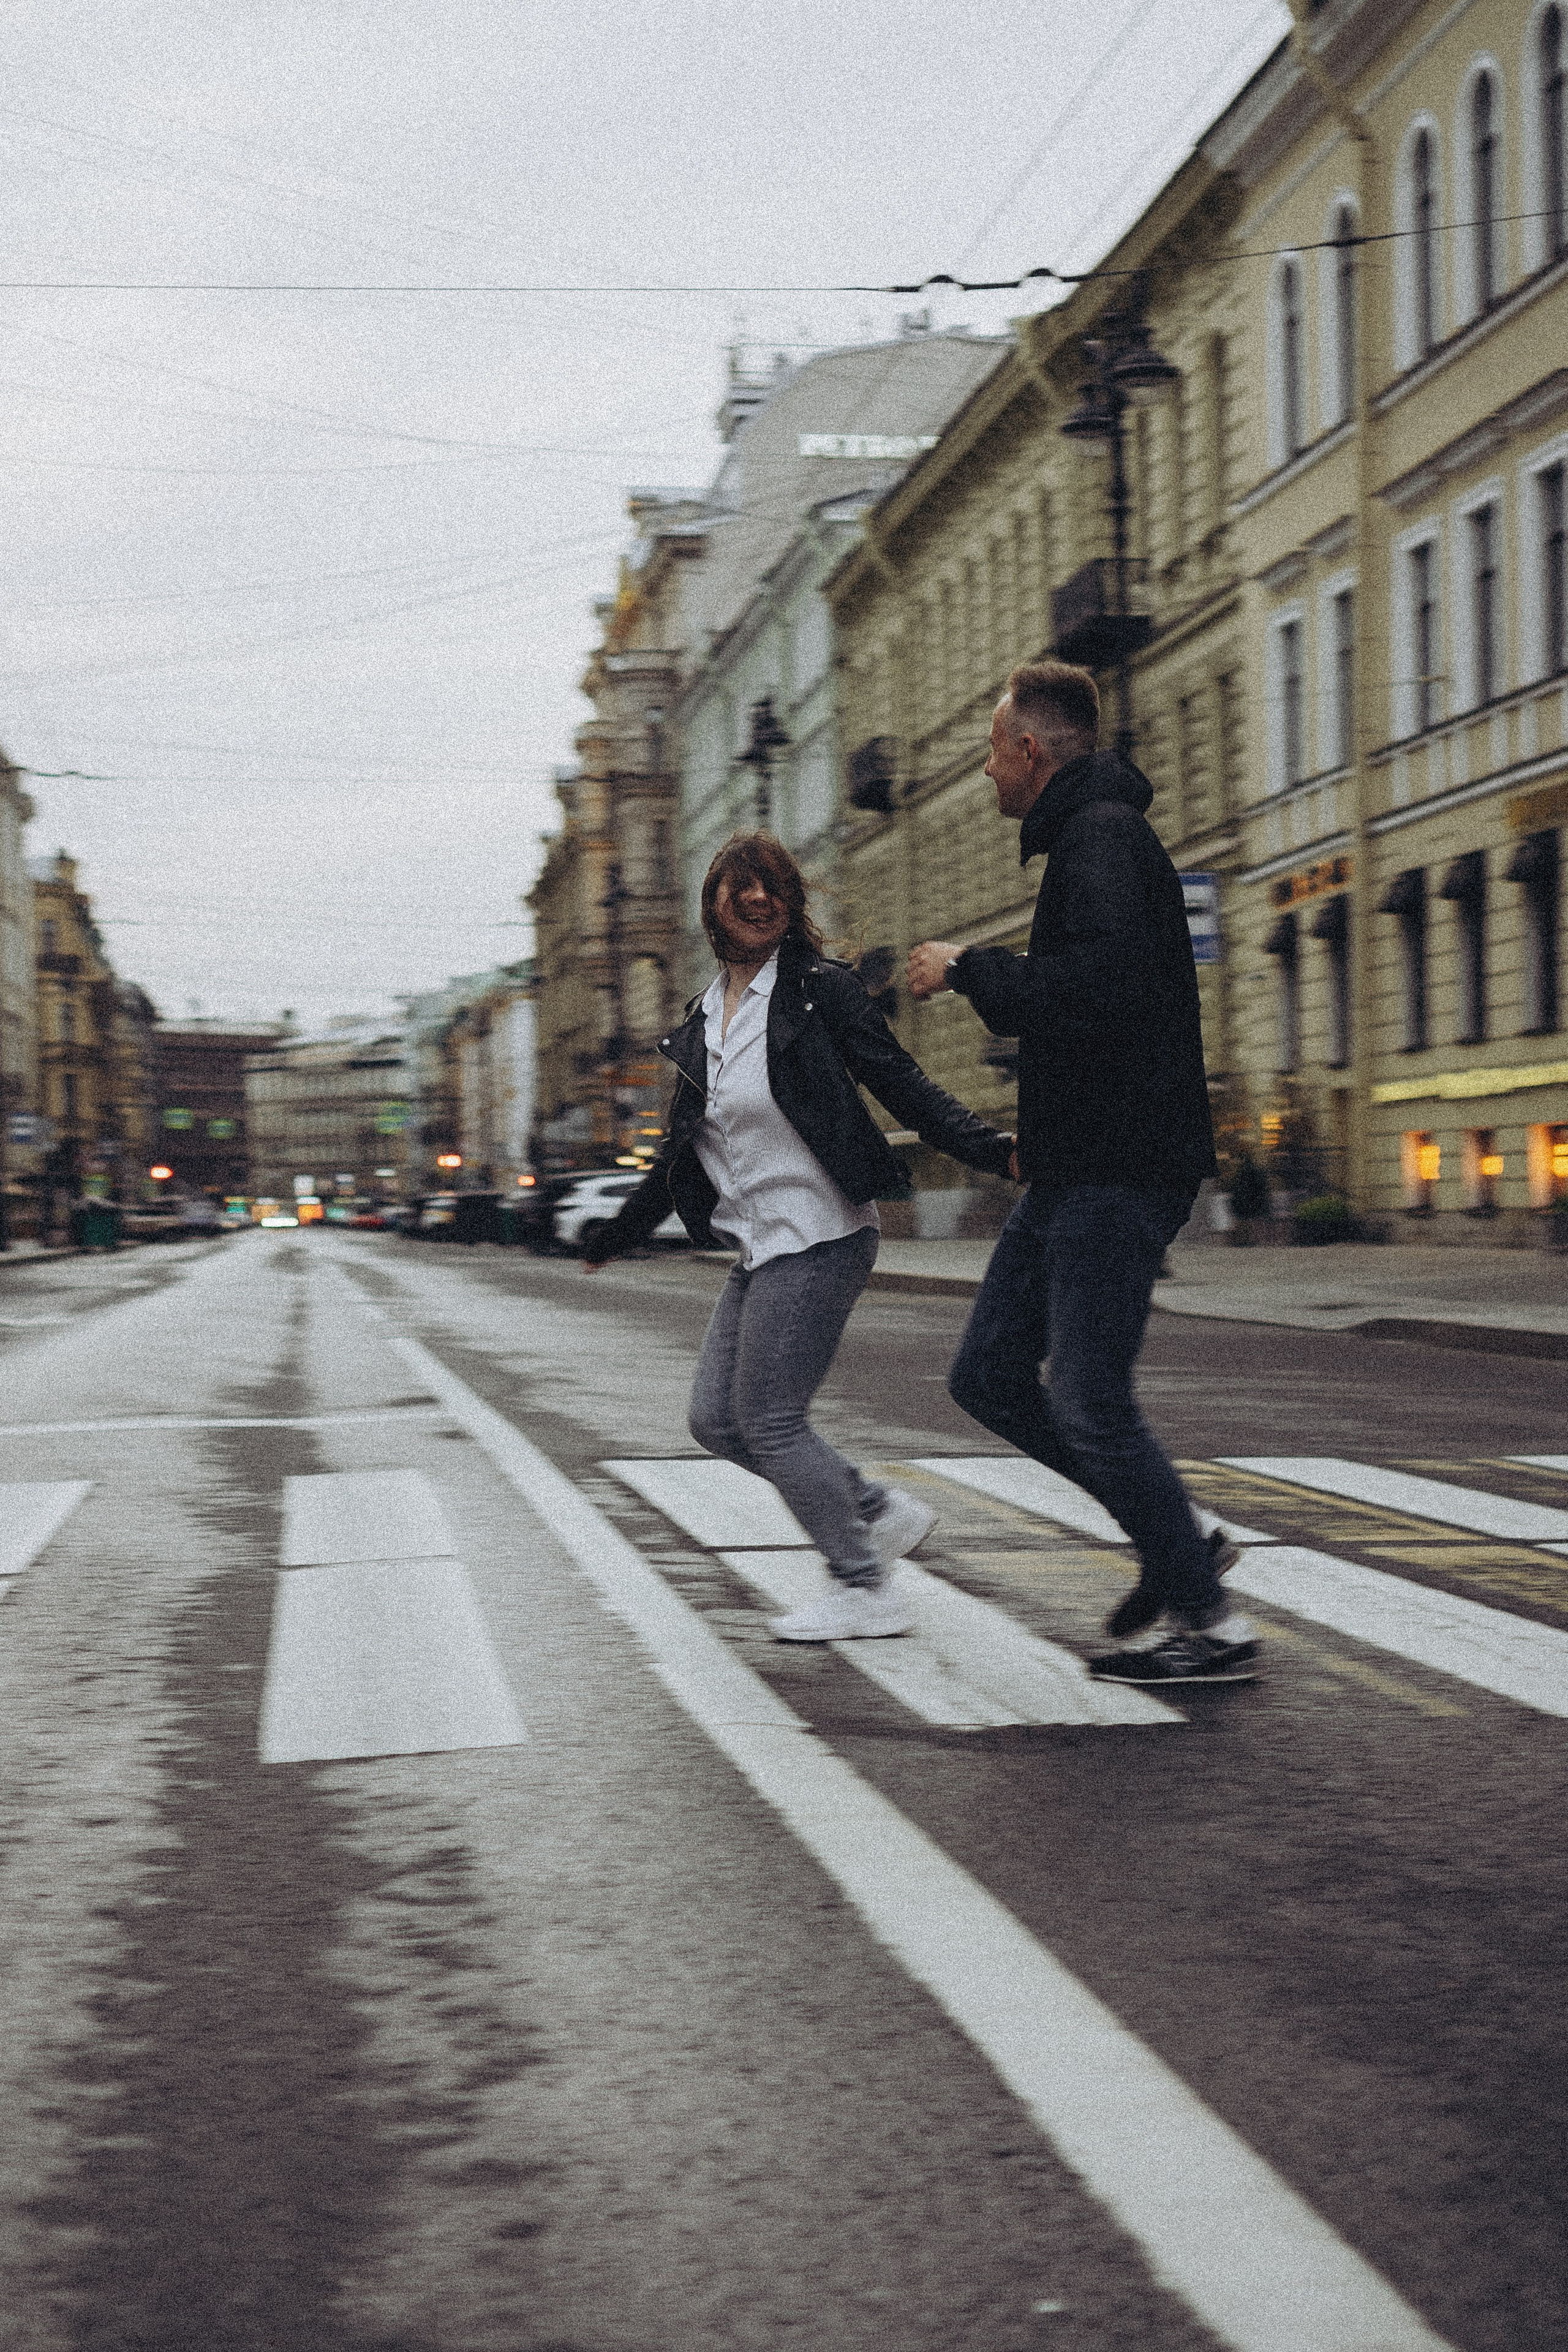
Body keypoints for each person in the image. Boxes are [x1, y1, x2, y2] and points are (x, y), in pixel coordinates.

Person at [908, 660, 1256, 1686]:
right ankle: (1180, 1535)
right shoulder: (1090, 840)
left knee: (1092, 1398)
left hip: (1119, 1169)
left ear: (1030, 749)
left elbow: (1097, 990)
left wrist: (971, 965)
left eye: (990, 751)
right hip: (1075, 1166)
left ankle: (1210, 1619)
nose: (984, 773)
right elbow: (1104, 1008)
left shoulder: (1102, 838)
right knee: (987, 1376)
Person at [582, 832, 1016, 1642]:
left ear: (790, 904)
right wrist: (618, 1231)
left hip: (821, 1233)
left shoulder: (821, 990)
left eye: (773, 886)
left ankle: (864, 1584)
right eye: (740, 888)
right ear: (712, 906)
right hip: (762, 1245)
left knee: (772, 1421)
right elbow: (680, 1153)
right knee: (717, 1421)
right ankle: (873, 1509)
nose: (757, 900)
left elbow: (900, 1082)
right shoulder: (704, 1017)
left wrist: (992, 1148)